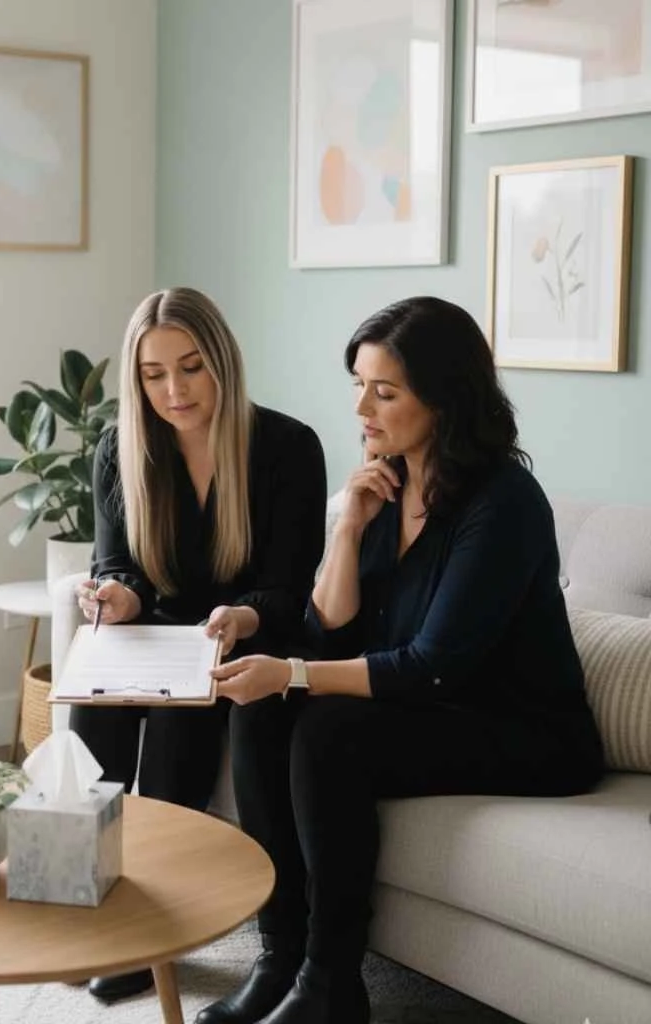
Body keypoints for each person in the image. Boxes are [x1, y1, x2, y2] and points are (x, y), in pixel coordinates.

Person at [196, 296, 605, 1024]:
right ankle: (280, 952)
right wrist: (349, 528)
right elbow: (329, 633)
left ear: (446, 399)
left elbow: (430, 665)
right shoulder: (391, 478)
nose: (362, 407)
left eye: (384, 392)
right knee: (263, 713)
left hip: (525, 732)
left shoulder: (504, 503)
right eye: (358, 384)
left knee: (326, 728)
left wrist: (290, 673)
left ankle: (330, 984)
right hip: (432, 709)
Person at [72, 285, 327, 1003]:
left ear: (222, 361)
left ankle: (212, 936)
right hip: (162, 640)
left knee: (197, 724)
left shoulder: (287, 447)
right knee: (97, 706)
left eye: (190, 368)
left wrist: (238, 618)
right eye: (154, 375)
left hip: (251, 643)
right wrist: (115, 595)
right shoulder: (119, 451)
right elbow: (113, 565)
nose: (174, 391)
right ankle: (107, 919)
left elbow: (289, 589)